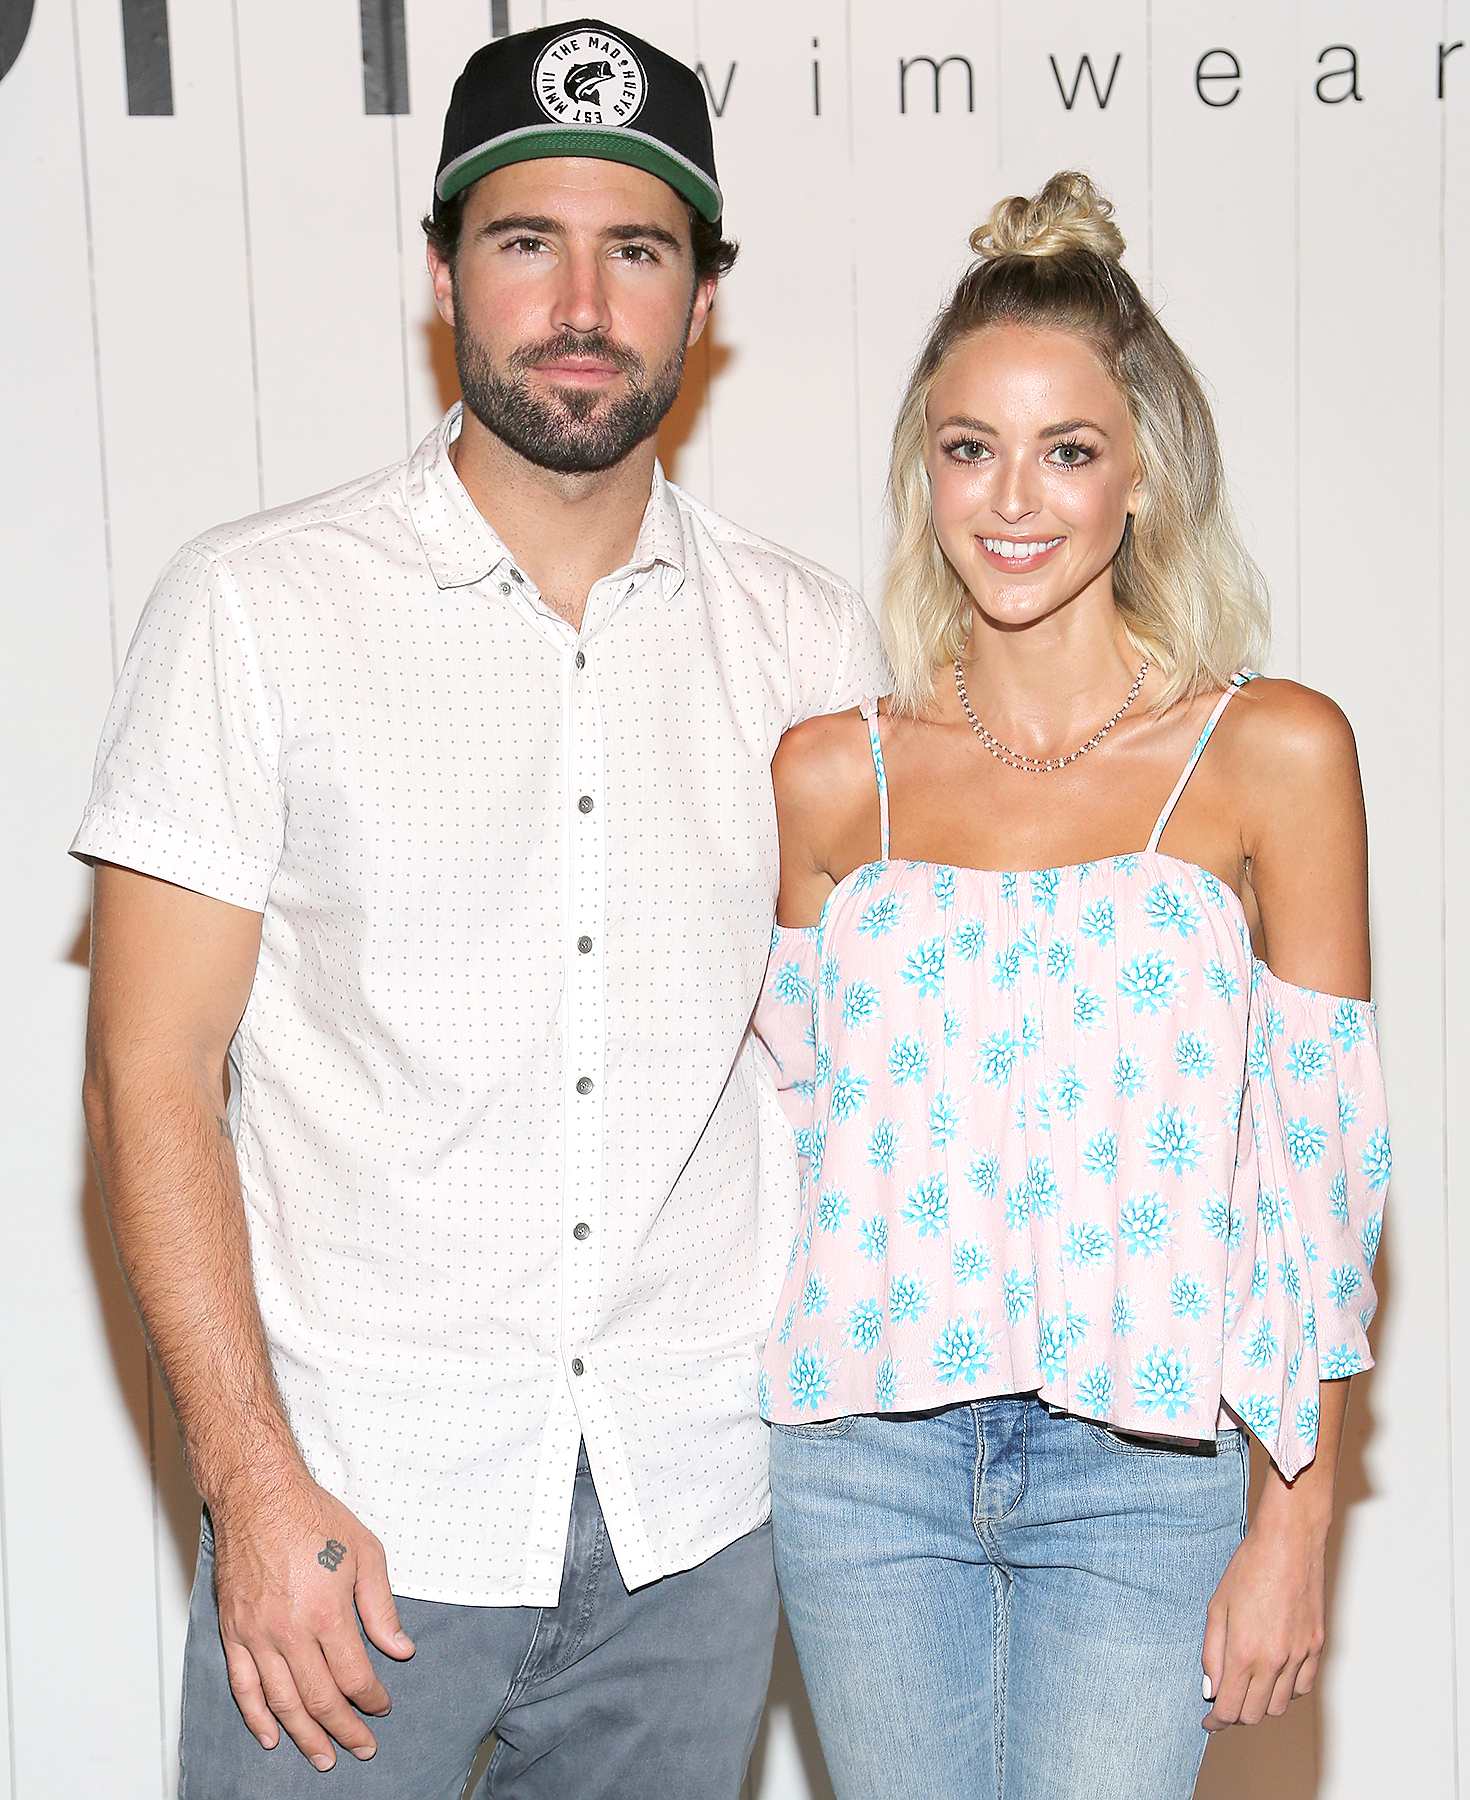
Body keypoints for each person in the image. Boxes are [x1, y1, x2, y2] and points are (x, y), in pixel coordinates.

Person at [74, 19, 886, 1798]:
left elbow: (854, 1075)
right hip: (353, 1524)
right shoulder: (255, 610)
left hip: (695, 1520)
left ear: (701, 297)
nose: (581, 300)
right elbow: (148, 1076)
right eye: (527, 242)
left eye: (639, 249)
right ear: (442, 271)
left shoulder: (809, 645)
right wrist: (252, 1478)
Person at [753, 171, 1389, 1800]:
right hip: (862, 1465)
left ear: (1140, 481)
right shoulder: (835, 779)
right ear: (926, 476)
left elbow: (1312, 1171)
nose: (1011, 498)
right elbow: (792, 1133)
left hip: (1143, 1463)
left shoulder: (1271, 752)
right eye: (968, 449)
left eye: (1067, 449)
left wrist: (1293, 1519)